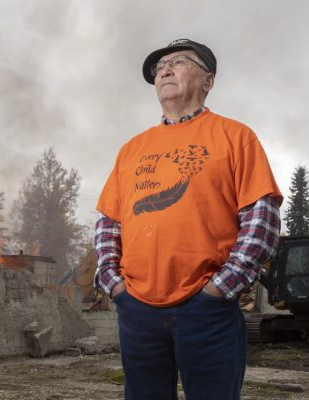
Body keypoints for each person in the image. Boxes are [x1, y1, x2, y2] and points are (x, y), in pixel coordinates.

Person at [94, 38, 283, 400]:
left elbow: (261, 220)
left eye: (178, 62)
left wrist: (218, 290)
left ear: (208, 81)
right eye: (158, 67)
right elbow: (108, 222)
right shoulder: (131, 149)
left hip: (206, 310)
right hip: (137, 310)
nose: (164, 70)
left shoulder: (235, 137)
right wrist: (114, 284)